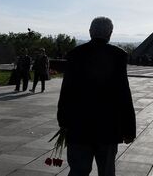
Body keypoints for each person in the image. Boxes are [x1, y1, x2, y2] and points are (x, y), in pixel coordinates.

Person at [57, 17, 135, 176]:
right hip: (107, 127)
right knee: (106, 171)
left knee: (78, 170)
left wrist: (63, 122)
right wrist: (129, 129)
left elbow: (66, 93)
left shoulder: (75, 54)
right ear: (110, 33)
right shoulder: (118, 55)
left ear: (90, 32)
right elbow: (123, 94)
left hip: (78, 126)